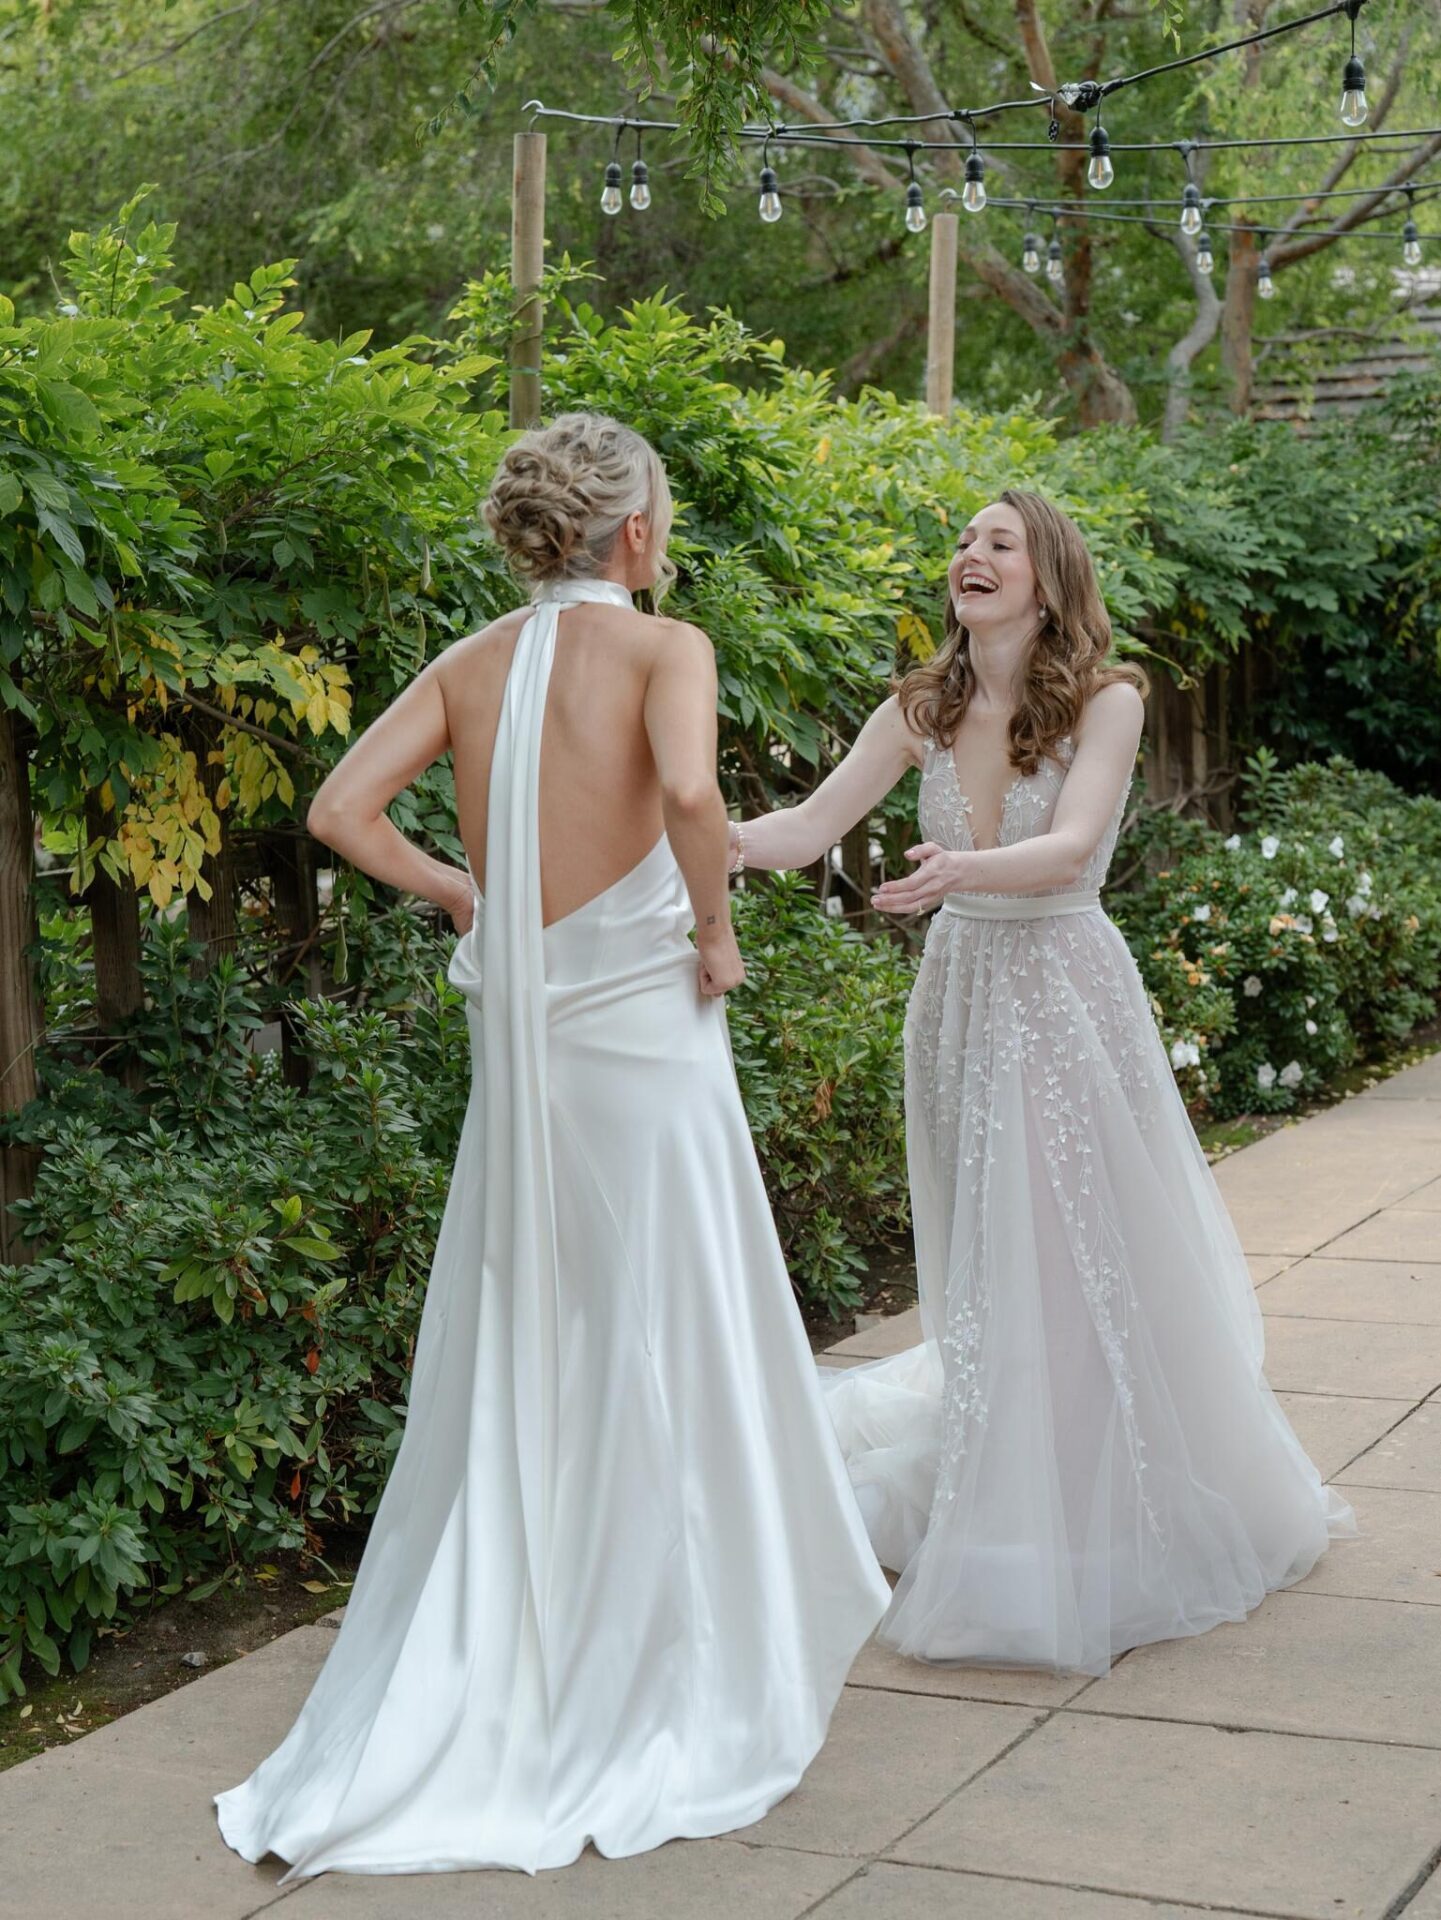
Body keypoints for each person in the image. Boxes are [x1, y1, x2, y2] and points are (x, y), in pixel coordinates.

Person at [214, 412, 888, 1879]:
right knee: (670, 1308)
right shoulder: (667, 648)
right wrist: (715, 934)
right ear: (635, 533)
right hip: (641, 1028)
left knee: (551, 1316)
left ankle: (524, 1616)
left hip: (528, 1037)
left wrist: (465, 894)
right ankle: (662, 1635)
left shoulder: (468, 667)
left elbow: (340, 810)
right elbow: (696, 796)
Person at [730, 488, 1353, 1677]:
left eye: (997, 543)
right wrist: (697, 833)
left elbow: (1069, 847)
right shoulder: (917, 706)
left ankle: (1093, 1483)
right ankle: (996, 1453)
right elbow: (806, 827)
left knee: (1079, 1242)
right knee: (983, 1242)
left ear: (1047, 576)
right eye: (963, 543)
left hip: (1063, 983)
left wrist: (963, 864)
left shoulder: (1107, 703)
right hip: (959, 992)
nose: (970, 555)